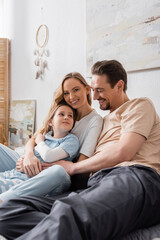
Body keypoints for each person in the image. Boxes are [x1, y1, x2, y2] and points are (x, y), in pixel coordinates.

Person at [0, 60, 160, 240]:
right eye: (93, 90)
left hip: (132, 175)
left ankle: (72, 224)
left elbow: (123, 152)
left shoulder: (138, 105)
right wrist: (30, 154)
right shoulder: (102, 120)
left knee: (68, 215)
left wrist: (71, 167)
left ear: (119, 86)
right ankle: (83, 228)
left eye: (99, 90)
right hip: (95, 184)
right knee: (8, 209)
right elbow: (39, 136)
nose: (95, 95)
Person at [0, 103, 79, 202]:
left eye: (70, 116)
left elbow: (48, 156)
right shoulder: (45, 136)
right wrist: (26, 158)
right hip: (22, 172)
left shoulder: (71, 140)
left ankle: (4, 199)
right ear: (51, 122)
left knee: (59, 171)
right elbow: (32, 151)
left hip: (48, 178)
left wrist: (40, 141)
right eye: (61, 114)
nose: (66, 117)